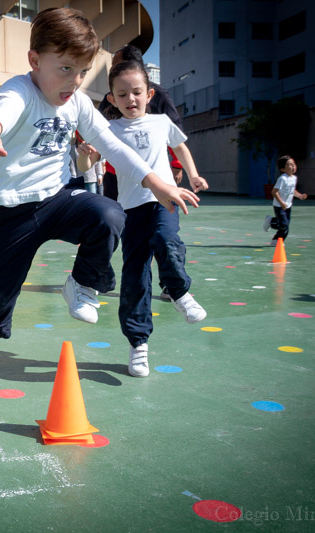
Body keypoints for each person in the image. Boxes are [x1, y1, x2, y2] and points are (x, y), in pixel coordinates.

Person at [0, 7, 200, 399]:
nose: (74, 81)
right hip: (17, 212)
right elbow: (2, 112)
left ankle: (81, 283)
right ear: (35, 61)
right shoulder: (21, 90)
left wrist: (158, 183)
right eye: (65, 69)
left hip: (58, 199)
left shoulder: (78, 103)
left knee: (108, 214)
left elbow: (113, 145)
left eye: (82, 71)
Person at [80, 60, 209, 378]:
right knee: (135, 279)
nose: (130, 99)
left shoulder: (162, 122)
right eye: (122, 94)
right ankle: (138, 345)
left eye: (137, 92)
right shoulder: (109, 130)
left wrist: (192, 176)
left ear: (149, 93)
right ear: (111, 99)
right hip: (130, 211)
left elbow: (180, 148)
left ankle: (178, 291)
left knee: (167, 240)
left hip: (163, 201)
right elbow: (88, 163)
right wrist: (84, 151)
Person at [98, 44, 185, 202]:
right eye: (122, 95)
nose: (112, 70)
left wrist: (177, 164)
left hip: (152, 172)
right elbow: (97, 131)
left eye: (115, 65)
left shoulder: (159, 94)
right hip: (115, 173)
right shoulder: (109, 98)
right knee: (115, 217)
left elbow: (174, 129)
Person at [263, 155, 306, 245]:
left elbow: (292, 190)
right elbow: (274, 192)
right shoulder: (282, 179)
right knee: (284, 225)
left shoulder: (294, 178)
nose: (293, 166)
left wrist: (300, 196)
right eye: (289, 165)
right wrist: (281, 203)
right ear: (283, 169)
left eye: (293, 163)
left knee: (285, 226)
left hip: (288, 205)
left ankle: (276, 240)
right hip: (279, 206)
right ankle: (271, 222)